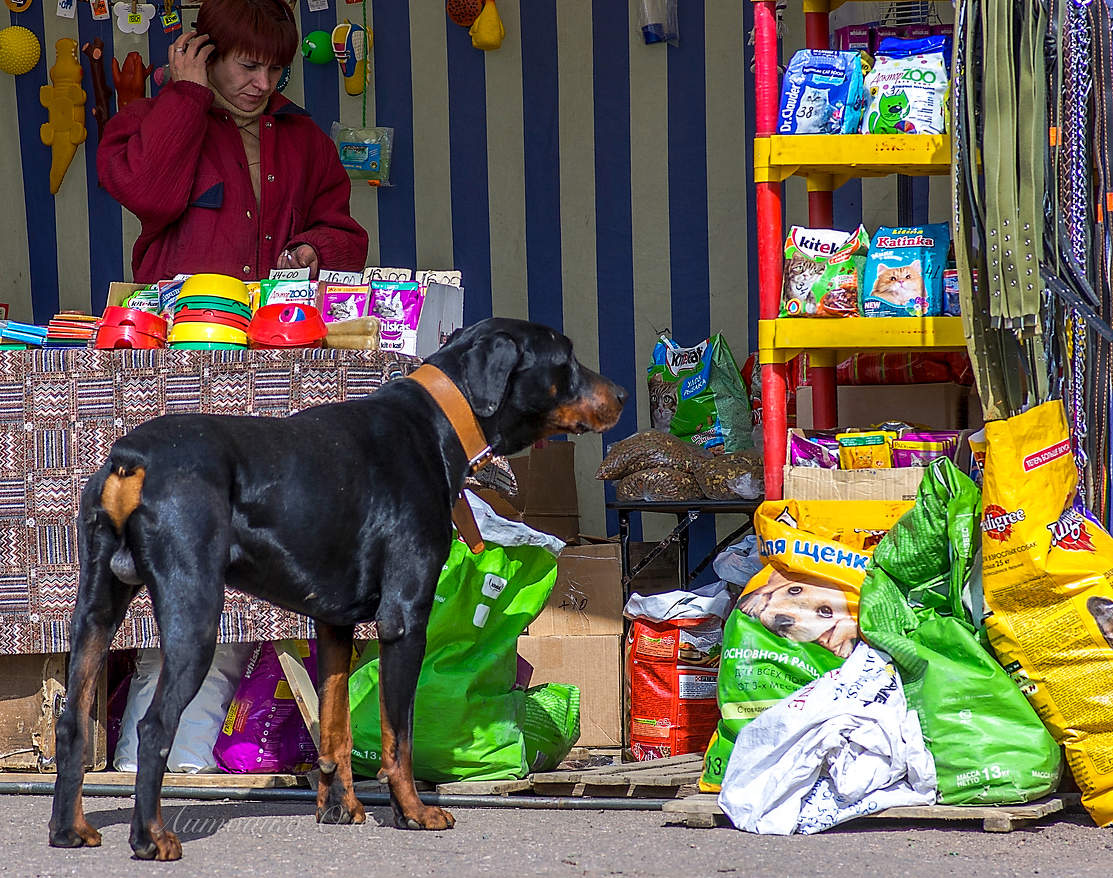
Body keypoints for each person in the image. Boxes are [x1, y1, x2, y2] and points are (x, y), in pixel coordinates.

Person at [97, 0, 368, 283]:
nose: (263, 83)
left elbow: (347, 238)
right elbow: (147, 197)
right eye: (249, 66)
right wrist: (187, 96)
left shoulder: (306, 138)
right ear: (206, 55)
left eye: (275, 69)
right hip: (181, 321)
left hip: (278, 321)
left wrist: (315, 249)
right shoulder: (144, 119)